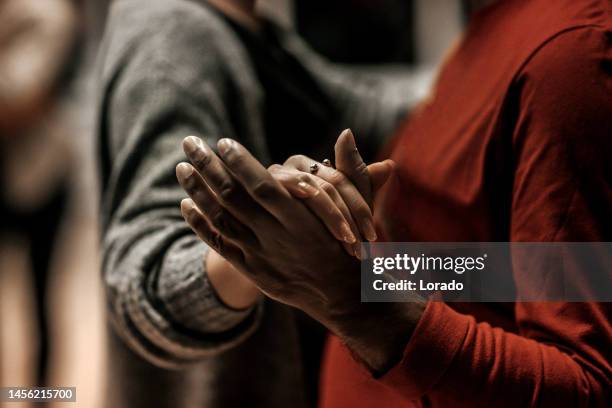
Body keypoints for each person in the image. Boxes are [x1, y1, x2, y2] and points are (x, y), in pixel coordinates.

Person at [176, 0, 612, 406]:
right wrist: (353, 264)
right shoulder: (500, 19)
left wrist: (350, 299)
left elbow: (587, 384)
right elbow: (508, 271)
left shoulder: (572, 55)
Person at [97, 0, 428, 406]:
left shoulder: (253, 26)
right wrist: (259, 243)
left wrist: (487, 57)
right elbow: (144, 279)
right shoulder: (169, 32)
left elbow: (359, 106)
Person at [0, 0, 81, 386]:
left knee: (41, 299)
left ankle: (42, 396)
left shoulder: (49, 13)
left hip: (40, 174)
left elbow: (19, 101)